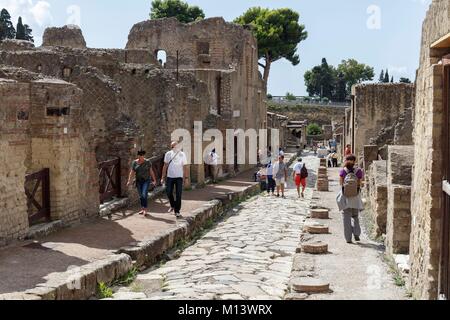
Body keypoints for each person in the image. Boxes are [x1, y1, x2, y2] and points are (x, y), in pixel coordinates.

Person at [336, 155, 364, 244]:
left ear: (346, 160)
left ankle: (348, 238)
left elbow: (341, 183)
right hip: (356, 196)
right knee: (355, 216)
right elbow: (360, 183)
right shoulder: (359, 171)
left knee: (346, 218)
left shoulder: (343, 171)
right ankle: (356, 233)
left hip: (346, 197)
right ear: (354, 161)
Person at [161, 141, 189, 218]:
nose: (174, 148)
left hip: (179, 177)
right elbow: (165, 165)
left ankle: (177, 211)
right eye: (172, 147)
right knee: (168, 192)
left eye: (175, 146)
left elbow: (185, 166)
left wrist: (186, 178)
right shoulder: (168, 154)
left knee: (178, 194)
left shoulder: (182, 154)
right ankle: (172, 205)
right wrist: (163, 177)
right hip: (170, 176)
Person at [127, 150, 157, 216]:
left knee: (144, 194)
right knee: (141, 195)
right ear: (138, 156)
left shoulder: (147, 162)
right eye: (140, 155)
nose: (141, 157)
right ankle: (142, 208)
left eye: (142, 156)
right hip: (138, 180)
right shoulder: (135, 162)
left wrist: (154, 180)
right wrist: (129, 181)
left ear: (144, 155)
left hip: (146, 180)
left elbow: (151, 171)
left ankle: (145, 209)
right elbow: (132, 172)